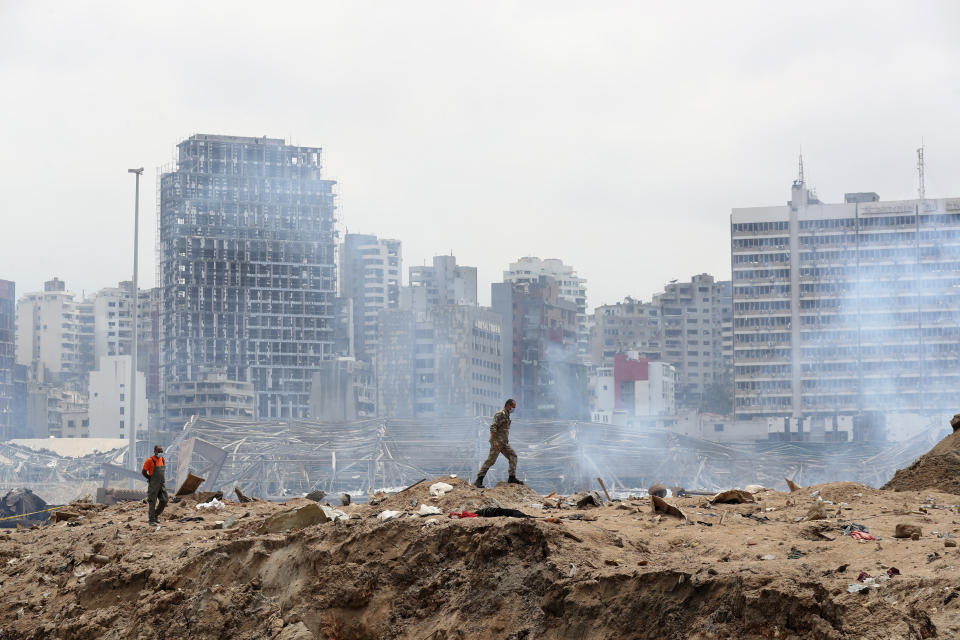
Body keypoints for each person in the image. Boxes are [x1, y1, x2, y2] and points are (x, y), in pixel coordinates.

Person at [475, 399, 523, 487]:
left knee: (513, 456)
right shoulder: (500, 414)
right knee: (491, 461)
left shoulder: (507, 415)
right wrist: (495, 442)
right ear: (508, 405)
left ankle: (512, 477)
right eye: (513, 407)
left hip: (504, 443)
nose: (514, 409)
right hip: (497, 443)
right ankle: (479, 480)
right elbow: (493, 427)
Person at [141, 445, 168, 526]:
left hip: (161, 484)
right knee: (152, 501)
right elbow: (144, 471)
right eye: (159, 451)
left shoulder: (163, 459)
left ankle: (155, 515)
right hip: (153, 484)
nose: (160, 453)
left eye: (161, 451)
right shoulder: (150, 460)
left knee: (164, 500)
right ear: (155, 451)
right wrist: (149, 478)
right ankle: (151, 520)